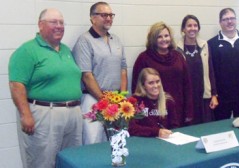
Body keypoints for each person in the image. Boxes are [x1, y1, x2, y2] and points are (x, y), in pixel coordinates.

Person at [8, 8, 82, 168]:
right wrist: (25, 115)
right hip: (45, 114)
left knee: (72, 160)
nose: (59, 26)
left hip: (73, 114)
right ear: (40, 25)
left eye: (61, 22)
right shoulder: (27, 50)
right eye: (53, 22)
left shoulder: (66, 50)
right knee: (42, 162)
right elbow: (16, 85)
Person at [73, 1, 127, 145]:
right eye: (104, 15)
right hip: (93, 99)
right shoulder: (84, 41)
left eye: (111, 15)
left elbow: (123, 69)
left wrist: (121, 97)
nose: (109, 18)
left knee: (117, 141)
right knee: (94, 142)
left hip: (116, 100)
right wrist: (105, 101)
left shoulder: (116, 40)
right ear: (93, 18)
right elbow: (87, 75)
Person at [131, 22, 193, 127]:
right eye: (159, 37)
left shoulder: (178, 57)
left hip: (178, 109)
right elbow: (137, 88)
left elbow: (187, 84)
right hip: (154, 113)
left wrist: (189, 111)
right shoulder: (144, 58)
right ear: (153, 39)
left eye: (166, 36)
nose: (164, 39)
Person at [177, 15, 218, 124]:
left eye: (195, 25)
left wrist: (214, 95)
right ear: (183, 29)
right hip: (186, 97)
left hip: (203, 96)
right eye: (189, 26)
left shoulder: (204, 45)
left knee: (205, 128)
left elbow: (211, 71)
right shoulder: (176, 48)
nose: (192, 28)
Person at [129, 68, 178, 138]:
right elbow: (132, 128)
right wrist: (157, 132)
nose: (155, 86)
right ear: (143, 85)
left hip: (165, 141)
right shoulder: (135, 101)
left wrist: (168, 133)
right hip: (143, 141)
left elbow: (174, 125)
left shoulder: (168, 100)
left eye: (158, 82)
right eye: (151, 83)